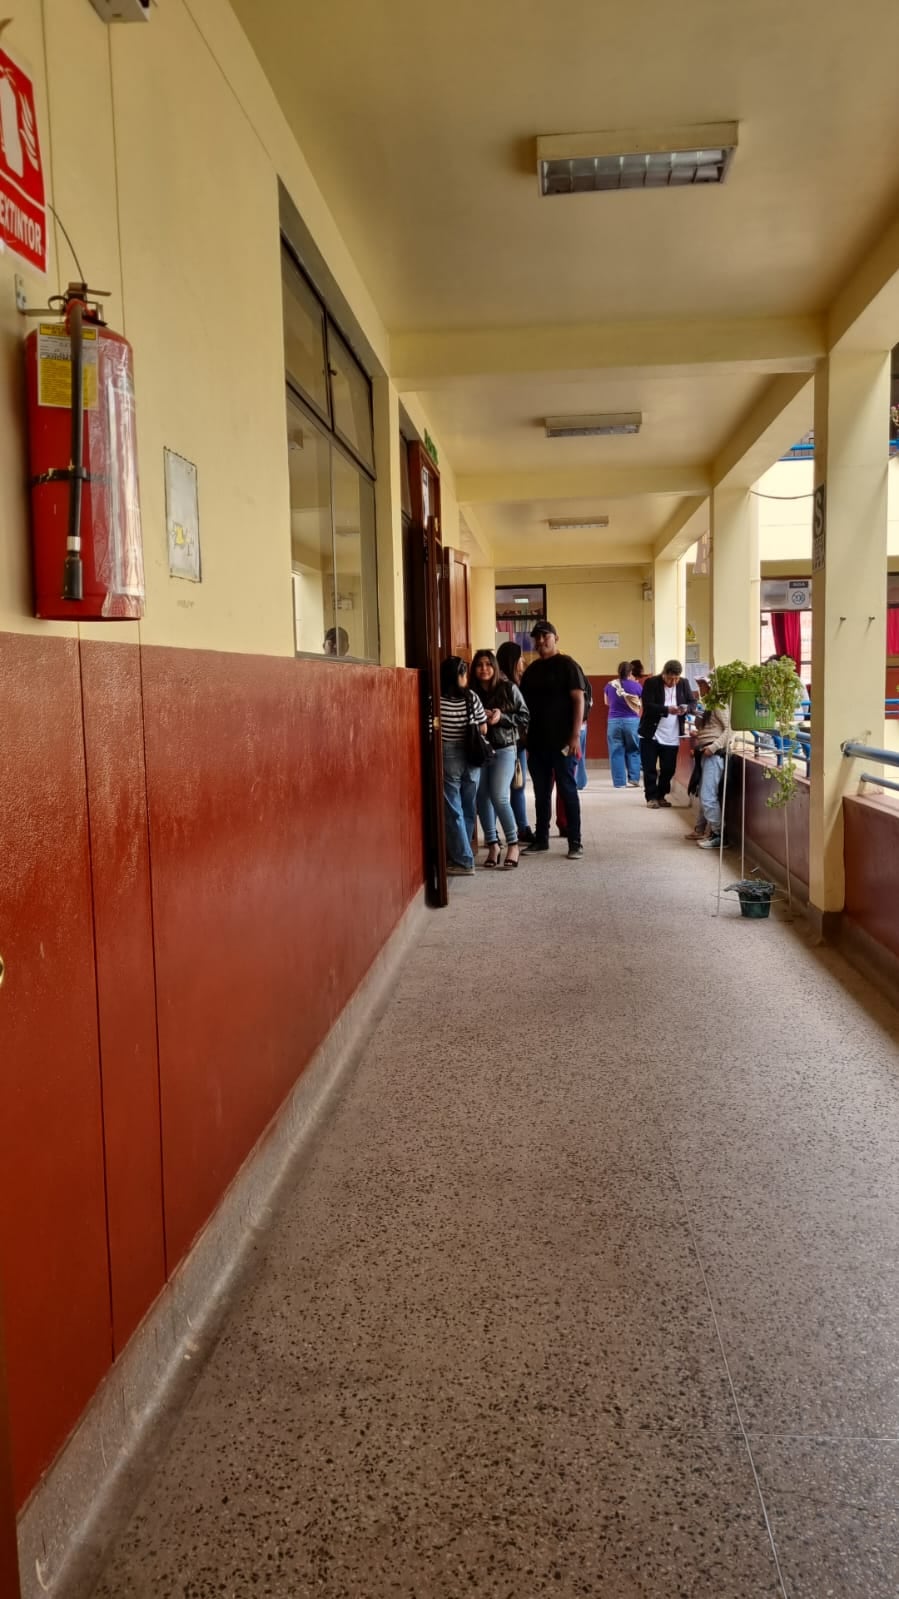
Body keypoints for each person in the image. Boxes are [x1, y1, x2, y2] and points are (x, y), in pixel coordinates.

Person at [520, 621, 586, 859]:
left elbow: (579, 700)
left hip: (564, 742)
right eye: (536, 637)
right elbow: (522, 706)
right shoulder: (532, 670)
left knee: (567, 790)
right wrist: (524, 735)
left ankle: (575, 842)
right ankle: (541, 839)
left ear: (555, 638)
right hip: (537, 742)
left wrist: (575, 736)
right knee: (541, 793)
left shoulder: (568, 665)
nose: (540, 641)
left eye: (545, 636)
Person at [471, 649, 529, 868]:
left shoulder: (508, 688)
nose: (484, 669)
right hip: (479, 749)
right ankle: (493, 845)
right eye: (479, 665)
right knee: (482, 797)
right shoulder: (471, 692)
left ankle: (513, 844)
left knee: (499, 796)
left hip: (505, 748)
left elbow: (524, 716)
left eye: (488, 664)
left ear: (495, 667)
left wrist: (501, 717)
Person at [439, 655, 486, 876]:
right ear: (458, 676)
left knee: (453, 809)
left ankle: (464, 860)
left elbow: (432, 729)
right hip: (473, 755)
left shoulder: (437, 699)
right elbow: (483, 728)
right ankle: (464, 853)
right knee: (468, 808)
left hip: (449, 755)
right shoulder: (472, 697)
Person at [638, 659, 696, 809]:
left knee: (669, 769)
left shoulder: (684, 683)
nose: (673, 682)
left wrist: (686, 709)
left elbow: (692, 702)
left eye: (676, 678)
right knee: (650, 768)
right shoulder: (652, 683)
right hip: (651, 733)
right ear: (664, 674)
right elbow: (648, 705)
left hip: (672, 734)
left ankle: (661, 795)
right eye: (670, 678)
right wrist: (667, 710)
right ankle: (651, 797)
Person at [496, 640, 535, 844]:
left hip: (516, 742)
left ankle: (522, 827)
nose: (523, 661)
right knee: (501, 790)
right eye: (520, 658)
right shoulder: (503, 685)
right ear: (512, 660)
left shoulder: (517, 682)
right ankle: (514, 830)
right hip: (504, 744)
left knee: (517, 785)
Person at [689, 696, 731, 849]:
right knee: (704, 793)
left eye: (702, 685)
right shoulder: (708, 703)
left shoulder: (719, 703)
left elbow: (730, 729)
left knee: (707, 796)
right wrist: (699, 736)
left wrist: (714, 747)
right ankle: (702, 829)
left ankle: (719, 835)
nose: (700, 688)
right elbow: (712, 729)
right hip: (706, 752)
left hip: (714, 754)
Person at [604, 659, 643, 788]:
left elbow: (607, 702)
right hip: (632, 721)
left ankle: (619, 782)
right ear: (630, 672)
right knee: (634, 749)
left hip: (614, 721)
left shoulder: (610, 685)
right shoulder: (637, 686)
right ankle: (634, 778)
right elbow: (640, 704)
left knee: (616, 751)